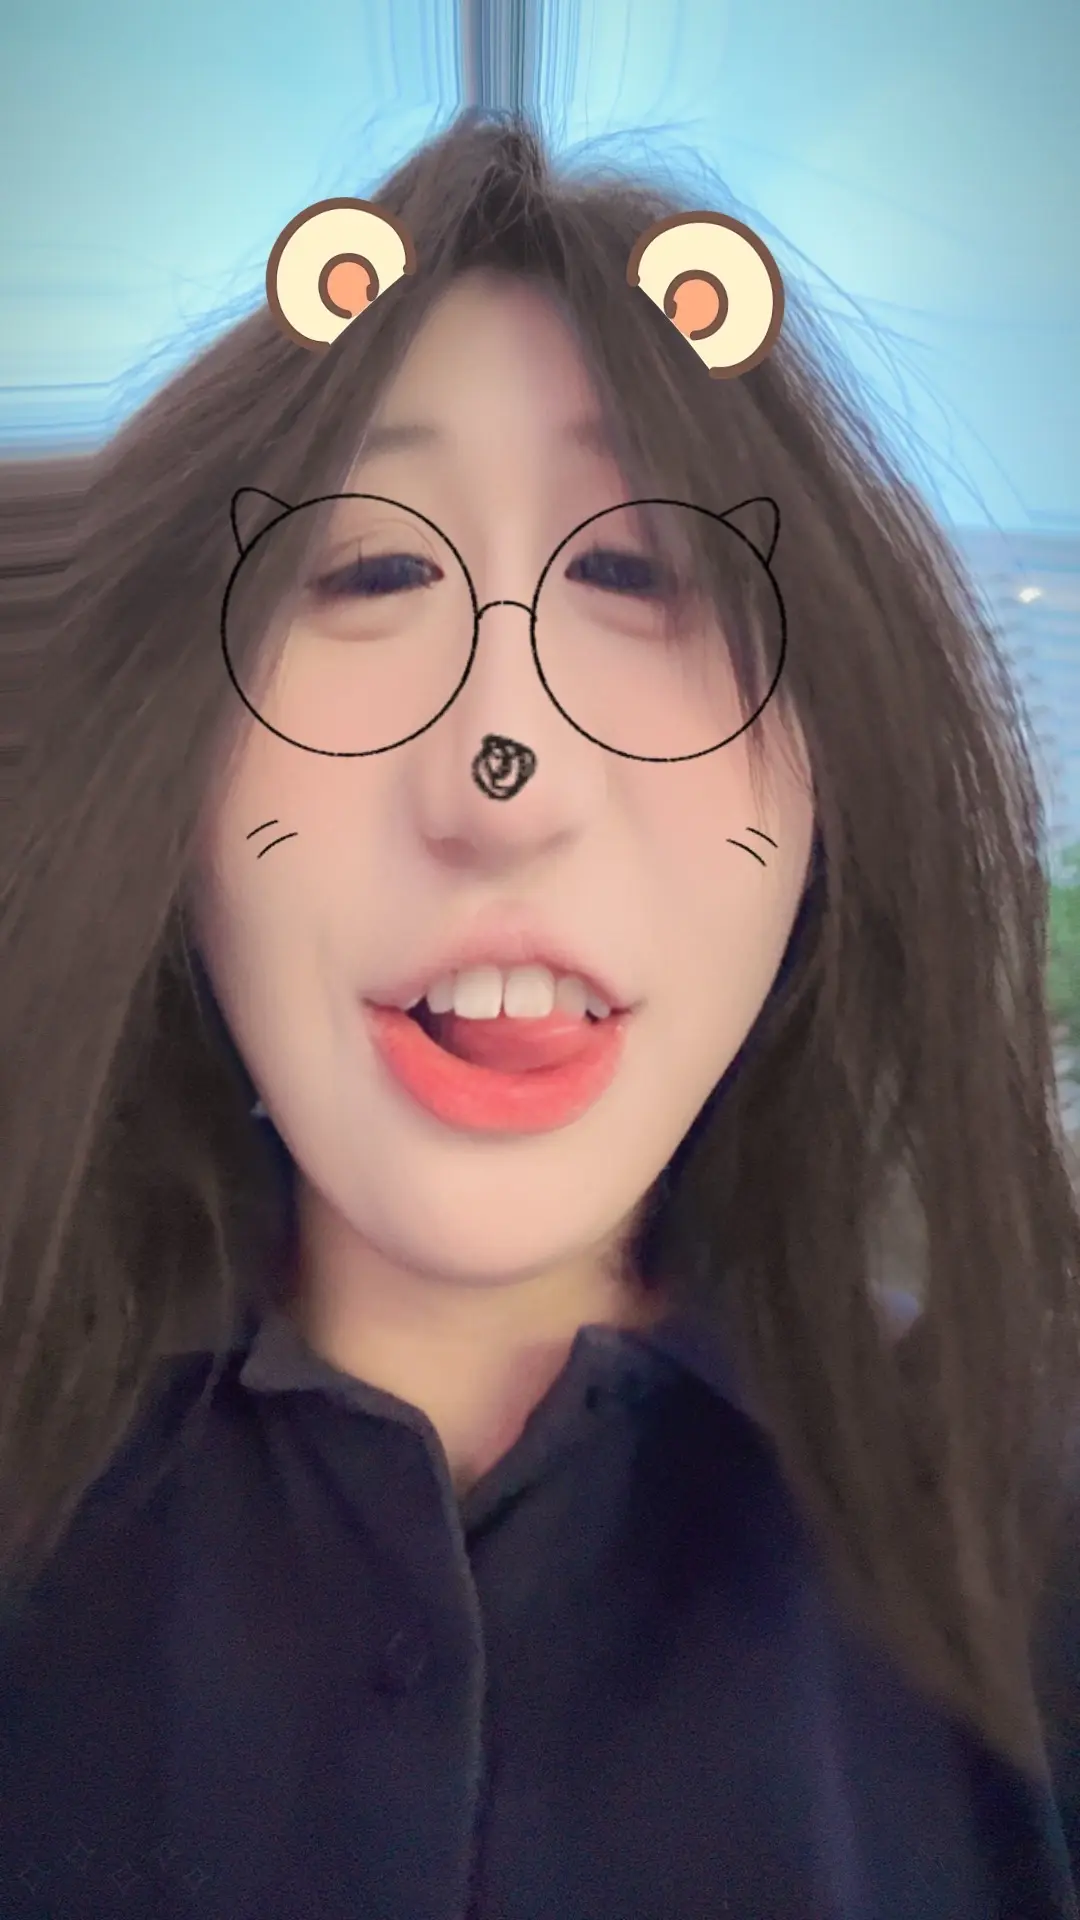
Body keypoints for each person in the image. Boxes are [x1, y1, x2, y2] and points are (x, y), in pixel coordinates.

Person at [1, 111, 1078, 1920]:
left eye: (641, 573)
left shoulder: (1025, 1555)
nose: (505, 781)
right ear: (166, 778)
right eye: (370, 571)